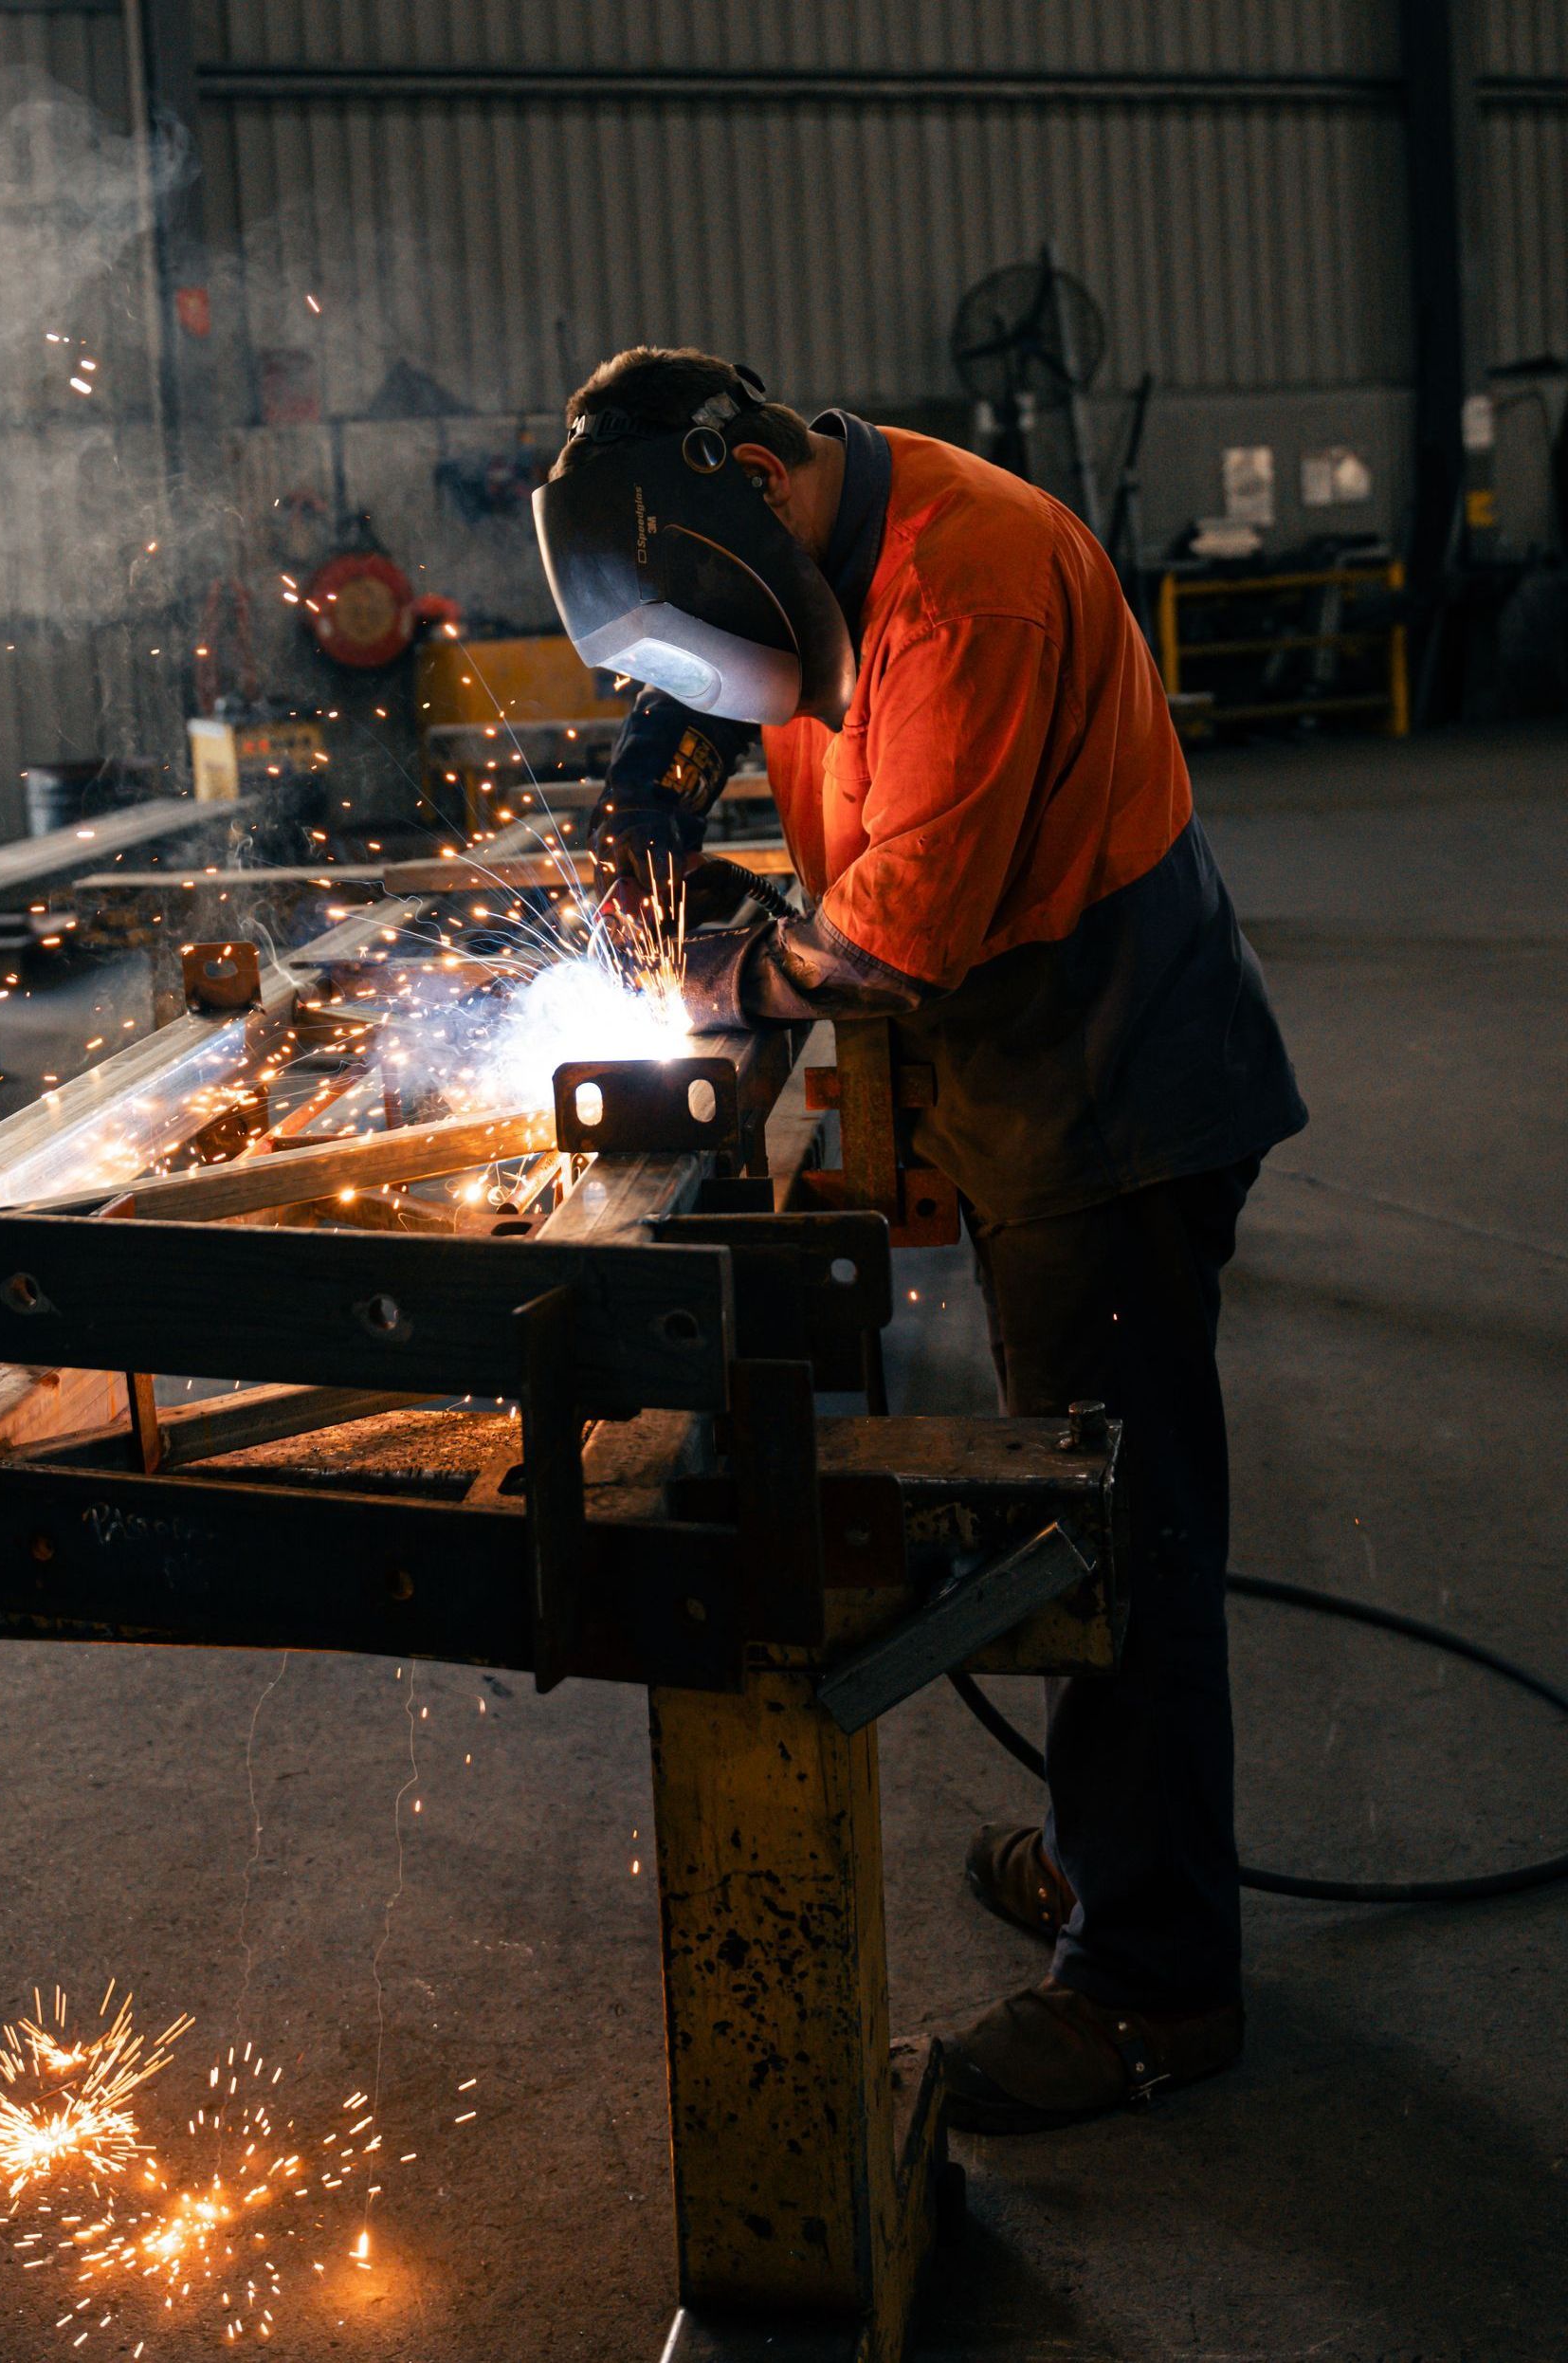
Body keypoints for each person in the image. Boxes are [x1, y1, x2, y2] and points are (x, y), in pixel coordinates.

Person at [532, 346, 1307, 2134]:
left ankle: (1154, 1981)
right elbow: (754, 669)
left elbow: (883, 951)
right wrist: (654, 771)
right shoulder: (804, 538)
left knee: (1108, 1525)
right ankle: (1110, 1852)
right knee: (1089, 1502)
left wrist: (722, 957)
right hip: (1028, 1057)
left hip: (1114, 1081)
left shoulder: (969, 590)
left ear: (752, 479)